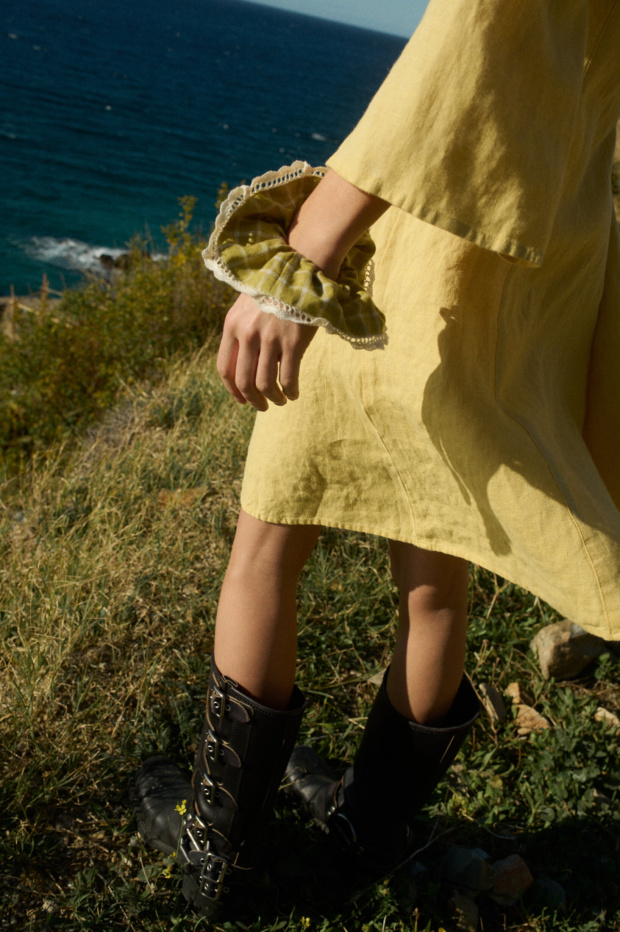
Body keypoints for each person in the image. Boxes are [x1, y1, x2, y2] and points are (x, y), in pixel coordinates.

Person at [132, 0, 620, 921]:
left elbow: (457, 58)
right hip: (544, 249)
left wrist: (301, 262)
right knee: (434, 564)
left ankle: (216, 861)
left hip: (429, 252)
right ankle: (362, 842)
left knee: (269, 536)